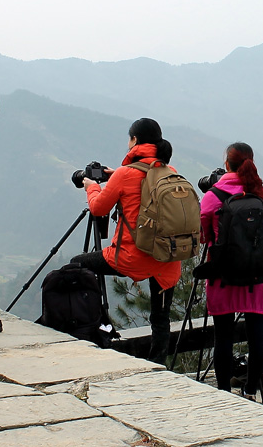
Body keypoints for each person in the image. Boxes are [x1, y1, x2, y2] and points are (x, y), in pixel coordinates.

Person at [70, 118, 180, 364]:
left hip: (132, 257)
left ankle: (93, 328)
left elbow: (98, 208)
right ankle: (158, 366)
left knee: (77, 264)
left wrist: (91, 186)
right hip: (166, 259)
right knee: (160, 319)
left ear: (134, 141)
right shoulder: (169, 171)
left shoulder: (125, 174)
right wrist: (115, 176)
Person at [198, 142, 263, 400]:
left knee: (222, 336)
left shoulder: (213, 196)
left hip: (222, 274)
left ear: (227, 164)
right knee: (256, 334)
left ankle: (223, 392)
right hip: (256, 277)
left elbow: (204, 236)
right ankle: (250, 391)